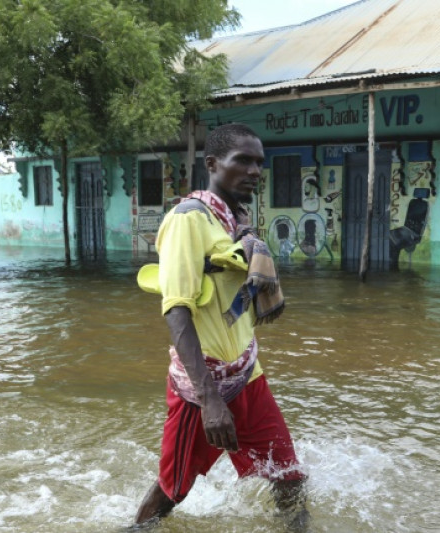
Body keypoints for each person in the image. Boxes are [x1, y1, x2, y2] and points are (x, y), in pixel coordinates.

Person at [134, 123, 309, 530]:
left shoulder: (235, 219)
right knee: (173, 489)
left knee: (289, 477)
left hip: (248, 374)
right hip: (202, 389)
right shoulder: (187, 220)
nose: (254, 171)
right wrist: (210, 401)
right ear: (212, 164)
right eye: (242, 160)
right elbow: (176, 310)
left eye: (259, 163)